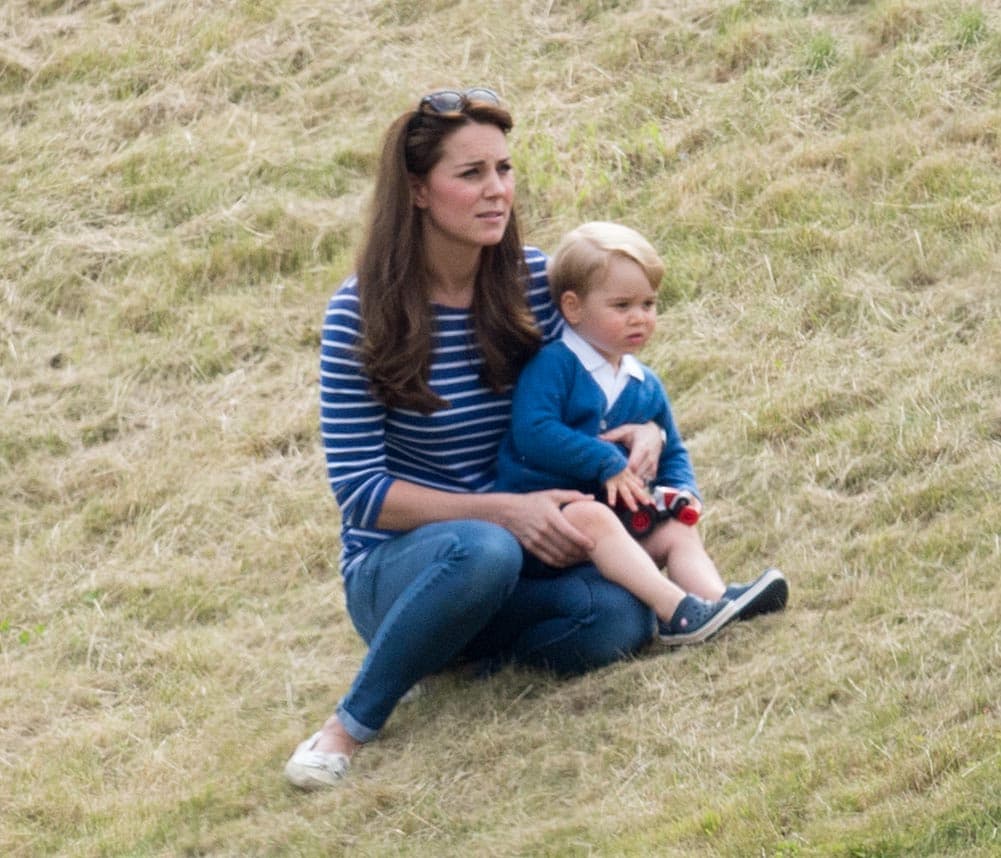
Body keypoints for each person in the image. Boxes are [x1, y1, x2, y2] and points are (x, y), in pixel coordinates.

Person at [284, 88, 673, 790]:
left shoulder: (537, 280)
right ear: (417, 191)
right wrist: (501, 512)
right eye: (470, 174)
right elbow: (361, 494)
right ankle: (350, 725)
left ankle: (451, 652)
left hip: (527, 550)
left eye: (504, 168)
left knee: (617, 619)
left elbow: (603, 385)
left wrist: (644, 428)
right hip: (405, 567)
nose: (496, 191)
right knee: (482, 548)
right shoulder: (358, 314)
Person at [494, 220, 788, 650]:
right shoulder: (555, 364)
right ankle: (676, 612)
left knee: (675, 533)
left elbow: (672, 448)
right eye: (622, 305)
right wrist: (606, 461)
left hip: (620, 528)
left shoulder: (644, 382)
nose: (640, 317)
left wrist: (682, 492)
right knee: (592, 516)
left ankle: (714, 599)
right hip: (549, 526)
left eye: (649, 304)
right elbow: (533, 431)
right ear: (574, 308)